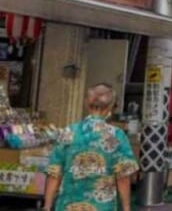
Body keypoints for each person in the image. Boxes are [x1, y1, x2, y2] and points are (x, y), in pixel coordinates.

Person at [44, 83, 138, 211]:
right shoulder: (116, 135)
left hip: (68, 205)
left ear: (86, 104)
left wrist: (47, 206)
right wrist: (126, 208)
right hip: (102, 206)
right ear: (111, 106)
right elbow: (123, 176)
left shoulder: (68, 132)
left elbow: (54, 173)